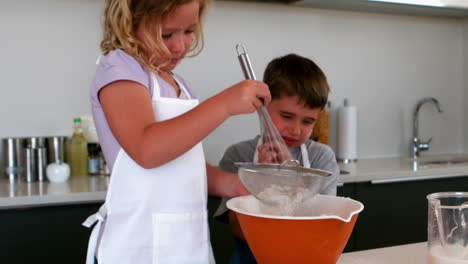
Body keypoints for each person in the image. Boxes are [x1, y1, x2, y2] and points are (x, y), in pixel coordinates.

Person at [82, 0, 271, 263]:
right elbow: (147, 149)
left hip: (186, 243)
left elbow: (184, 164)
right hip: (139, 245)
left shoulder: (179, 85)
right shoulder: (120, 69)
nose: (180, 46)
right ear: (129, 24)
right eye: (166, 34)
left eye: (189, 31)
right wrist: (224, 104)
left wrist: (235, 185)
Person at [215, 53, 340, 264]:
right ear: (263, 106)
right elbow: (238, 229)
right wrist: (260, 179)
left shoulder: (322, 158)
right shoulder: (239, 156)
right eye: (287, 116)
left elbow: (321, 225)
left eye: (308, 121)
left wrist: (290, 175)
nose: (296, 129)